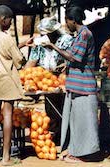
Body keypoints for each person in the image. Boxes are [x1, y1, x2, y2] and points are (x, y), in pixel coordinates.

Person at [42, 6, 100, 162]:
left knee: (84, 123)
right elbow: (75, 59)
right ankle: (75, 150)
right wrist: (66, 66)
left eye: (67, 21)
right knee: (76, 122)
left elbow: (75, 58)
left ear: (73, 20)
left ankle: (83, 154)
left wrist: (53, 47)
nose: (66, 24)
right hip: (76, 86)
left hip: (84, 87)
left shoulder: (85, 35)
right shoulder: (80, 34)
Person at [25, 16, 73, 145]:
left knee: (64, 107)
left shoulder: (66, 40)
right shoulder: (40, 43)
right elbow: (32, 61)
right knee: (51, 108)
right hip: (45, 80)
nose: (44, 36)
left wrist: (64, 67)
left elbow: (71, 59)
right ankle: (55, 132)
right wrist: (26, 76)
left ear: (54, 32)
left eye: (47, 33)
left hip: (63, 79)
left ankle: (66, 134)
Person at [0, 5, 26, 166]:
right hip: (8, 79)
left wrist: (20, 45)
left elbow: (3, 52)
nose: (11, 23)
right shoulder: (7, 38)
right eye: (10, 20)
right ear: (3, 19)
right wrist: (21, 53)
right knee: (8, 114)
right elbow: (18, 60)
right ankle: (6, 157)